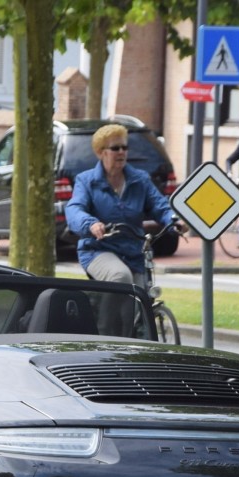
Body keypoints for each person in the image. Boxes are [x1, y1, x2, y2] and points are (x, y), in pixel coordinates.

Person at [65, 123, 180, 336]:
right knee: (120, 277)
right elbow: (74, 209)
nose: (121, 152)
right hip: (98, 249)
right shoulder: (87, 181)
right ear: (101, 152)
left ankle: (131, 341)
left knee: (141, 299)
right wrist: (90, 224)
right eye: (115, 148)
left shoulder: (139, 179)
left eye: (124, 148)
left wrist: (174, 220)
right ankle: (104, 332)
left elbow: (159, 205)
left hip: (133, 250)